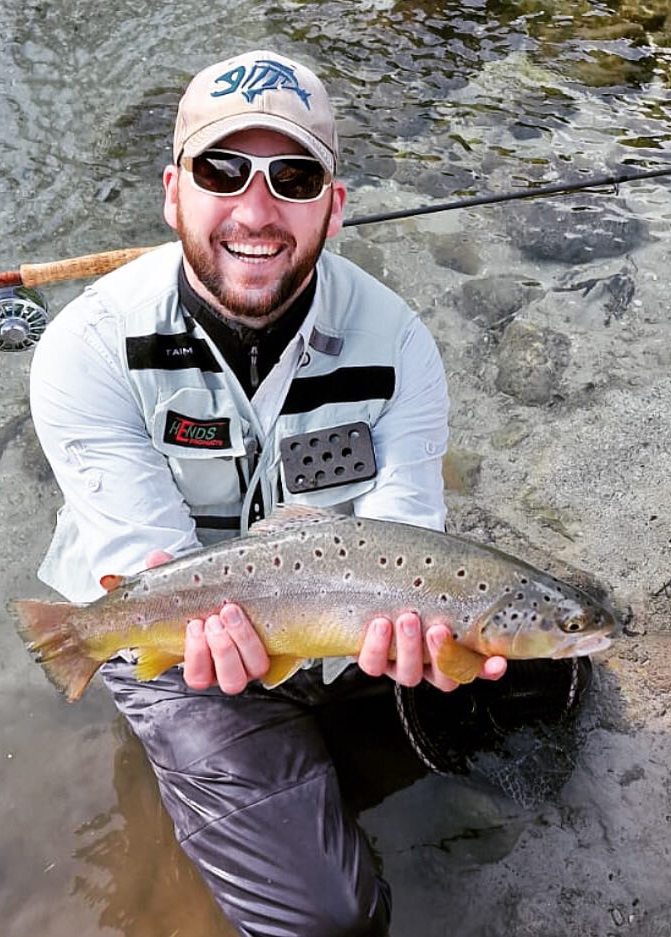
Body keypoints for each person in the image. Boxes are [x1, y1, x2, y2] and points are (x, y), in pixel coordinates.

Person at [29, 49, 511, 937]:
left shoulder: (401, 346)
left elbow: (405, 538)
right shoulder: (86, 347)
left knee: (531, 666)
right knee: (332, 919)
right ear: (173, 191)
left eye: (293, 176)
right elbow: (152, 570)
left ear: (334, 203)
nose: (256, 211)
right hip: (178, 627)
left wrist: (414, 637)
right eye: (223, 171)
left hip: (342, 608)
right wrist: (137, 638)